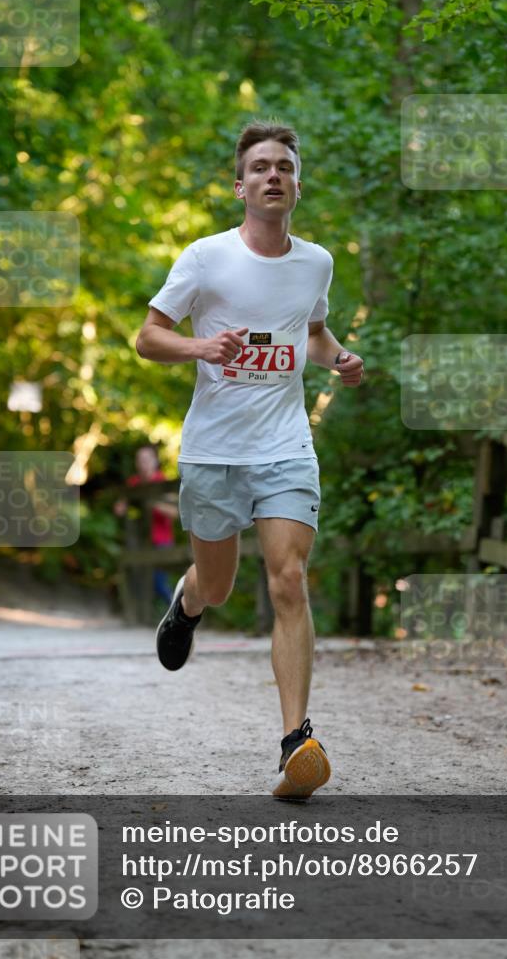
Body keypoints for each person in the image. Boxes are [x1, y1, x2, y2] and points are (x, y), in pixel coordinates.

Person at [135, 120, 363, 798]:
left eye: (284, 167)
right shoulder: (205, 258)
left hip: (284, 446)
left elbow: (312, 333)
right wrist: (201, 349)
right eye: (260, 166)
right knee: (221, 585)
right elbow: (148, 338)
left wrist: (338, 358)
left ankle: (297, 741)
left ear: (295, 184)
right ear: (239, 185)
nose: (272, 175)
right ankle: (189, 600)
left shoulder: (315, 262)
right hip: (214, 451)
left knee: (288, 579)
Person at [114, 444, 177, 609]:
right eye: (140, 460)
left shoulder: (163, 482)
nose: (143, 463)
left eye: (147, 459)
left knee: (159, 583)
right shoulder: (133, 483)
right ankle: (142, 616)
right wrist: (122, 508)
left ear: (155, 461)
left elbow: (175, 513)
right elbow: (121, 506)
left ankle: (177, 611)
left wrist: (153, 504)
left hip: (162, 540)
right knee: (138, 581)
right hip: (139, 542)